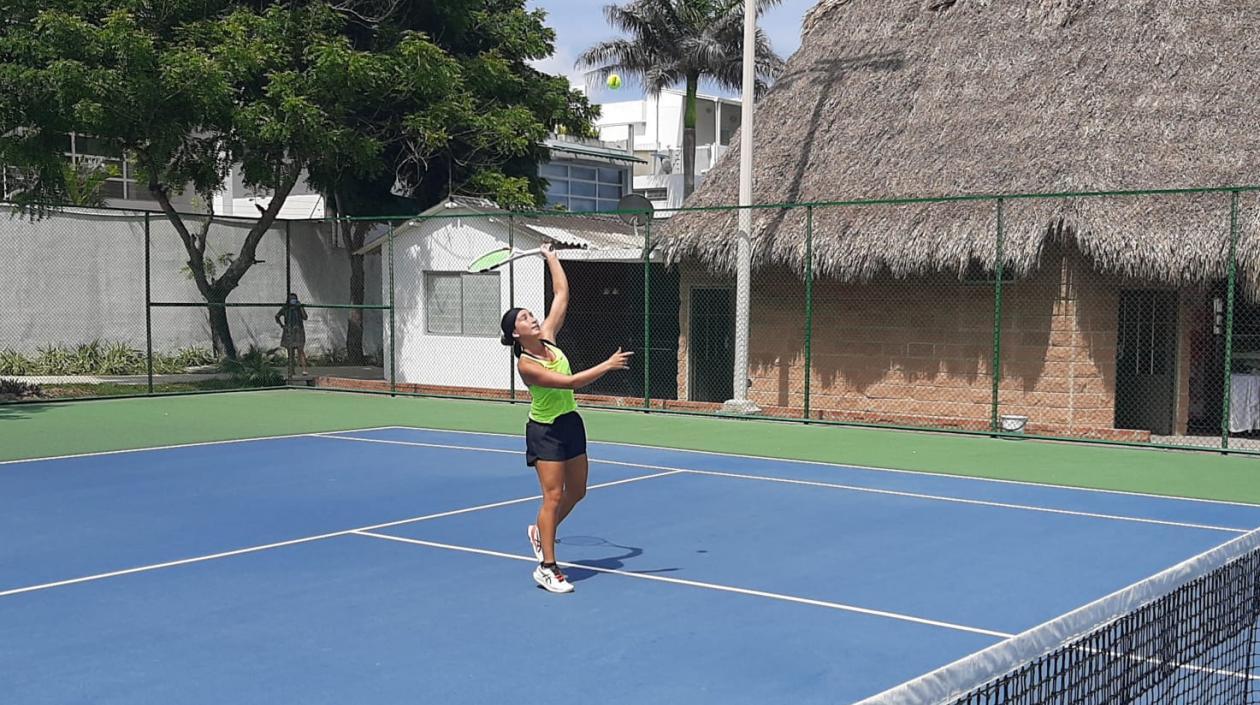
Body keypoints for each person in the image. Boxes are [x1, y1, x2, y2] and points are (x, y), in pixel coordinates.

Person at [500, 244, 633, 594]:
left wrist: (551, 257)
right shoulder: (527, 365)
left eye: (532, 314)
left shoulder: (549, 339)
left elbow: (561, 293)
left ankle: (539, 531)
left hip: (571, 422)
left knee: (578, 491)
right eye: (525, 317)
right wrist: (606, 365)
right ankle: (548, 567)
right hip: (545, 432)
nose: (533, 318)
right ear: (516, 333)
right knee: (554, 496)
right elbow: (570, 383)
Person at [275, 292, 309, 376]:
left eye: (295, 299)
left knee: (300, 350)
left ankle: (304, 370)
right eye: (291, 299)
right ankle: (291, 370)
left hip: (298, 331)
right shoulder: (285, 308)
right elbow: (277, 316)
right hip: (289, 331)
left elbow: (305, 317)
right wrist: (282, 325)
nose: (293, 301)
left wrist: (300, 307)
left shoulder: (299, 307)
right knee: (290, 352)